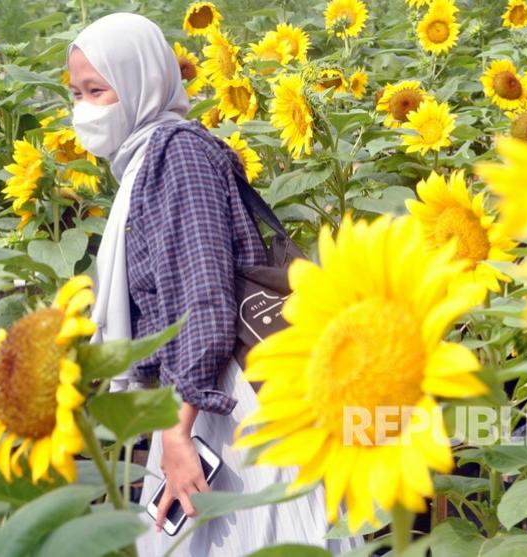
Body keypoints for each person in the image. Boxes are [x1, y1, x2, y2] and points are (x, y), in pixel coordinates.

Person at [66, 13, 357, 556]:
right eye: (76, 93)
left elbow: (203, 298)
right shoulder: (143, 162)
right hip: (198, 398)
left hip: (223, 401)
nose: (83, 108)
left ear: (139, 82)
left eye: (97, 91)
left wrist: (177, 432)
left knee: (252, 536)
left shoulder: (176, 155)